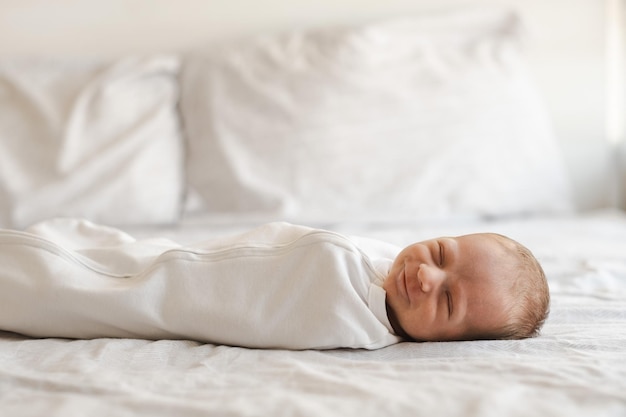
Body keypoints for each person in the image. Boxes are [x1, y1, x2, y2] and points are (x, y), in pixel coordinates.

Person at [0, 218, 548, 350]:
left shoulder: (363, 323)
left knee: (60, 290)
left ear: (450, 345)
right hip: (161, 261)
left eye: (448, 300)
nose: (426, 276)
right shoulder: (366, 264)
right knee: (82, 261)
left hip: (162, 290)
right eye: (440, 253)